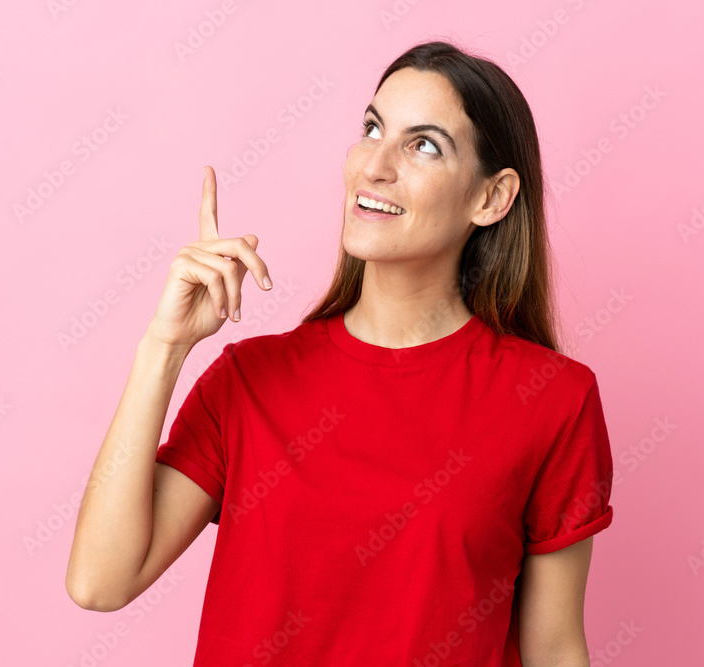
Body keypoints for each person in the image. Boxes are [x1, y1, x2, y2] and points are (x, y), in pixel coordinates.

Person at [66, 39, 614, 667]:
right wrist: (163, 347)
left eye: (423, 144)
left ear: (490, 198)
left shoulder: (552, 400)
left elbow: (554, 647)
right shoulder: (249, 381)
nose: (374, 166)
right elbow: (99, 583)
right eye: (372, 128)